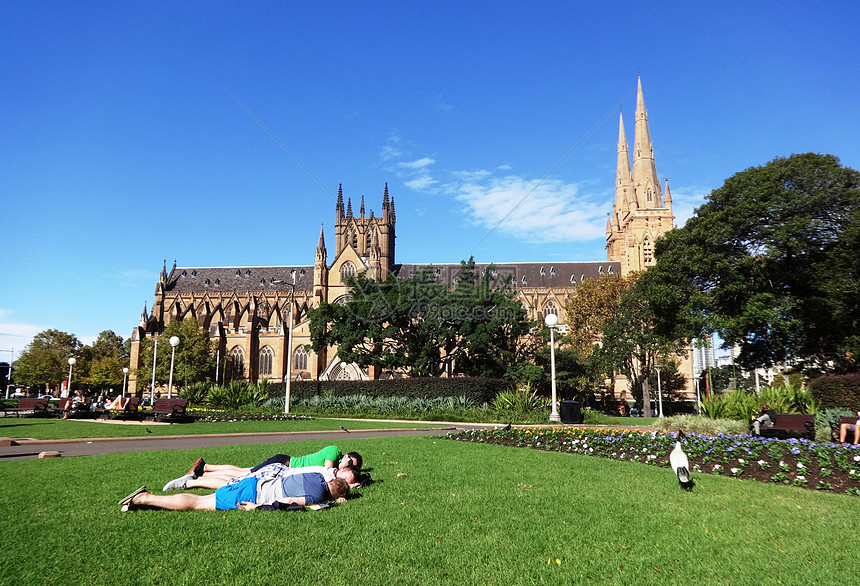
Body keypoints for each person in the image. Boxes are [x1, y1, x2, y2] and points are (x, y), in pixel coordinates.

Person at [119, 471, 349, 512]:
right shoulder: (317, 497)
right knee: (198, 503)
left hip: (252, 483)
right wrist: (258, 507)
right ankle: (145, 499)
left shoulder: (316, 476)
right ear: (337, 495)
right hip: (252, 497)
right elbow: (288, 501)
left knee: (203, 498)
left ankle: (146, 500)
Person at [165, 446, 362, 489]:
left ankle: (205, 469)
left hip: (284, 466)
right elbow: (330, 476)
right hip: (284, 463)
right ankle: (204, 469)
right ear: (346, 457)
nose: (349, 468)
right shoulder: (334, 453)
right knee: (243, 474)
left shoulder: (337, 460)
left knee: (243, 471)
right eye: (350, 464)